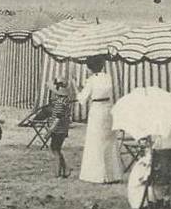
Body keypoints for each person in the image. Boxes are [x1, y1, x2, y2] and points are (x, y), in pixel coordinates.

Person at [77, 56, 123, 184]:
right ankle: (112, 174)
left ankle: (96, 175)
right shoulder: (108, 77)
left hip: (97, 110)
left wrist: (76, 89)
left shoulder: (91, 80)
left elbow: (82, 99)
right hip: (108, 109)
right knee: (109, 140)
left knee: (96, 141)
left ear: (90, 67)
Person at [47, 79, 73, 178]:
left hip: (58, 129)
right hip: (63, 129)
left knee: (55, 150)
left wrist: (50, 129)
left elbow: (58, 117)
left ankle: (58, 172)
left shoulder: (59, 103)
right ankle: (65, 169)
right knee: (57, 149)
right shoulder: (66, 101)